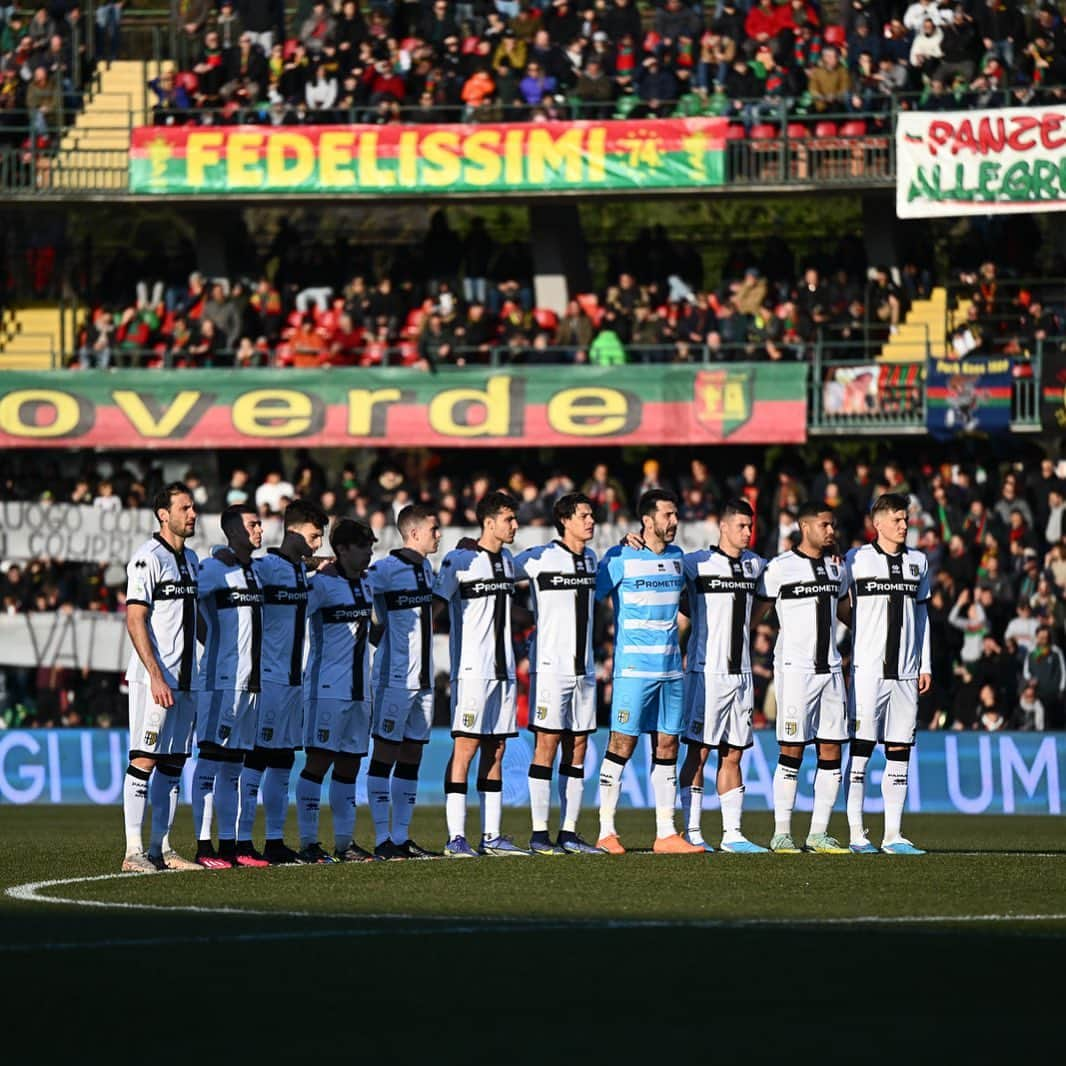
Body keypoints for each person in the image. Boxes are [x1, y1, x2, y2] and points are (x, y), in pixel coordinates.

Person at [594, 490, 703, 855]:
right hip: (633, 670)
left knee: (668, 744)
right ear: (647, 520)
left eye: (676, 515)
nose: (674, 522)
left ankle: (666, 834)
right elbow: (589, 596)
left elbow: (688, 606)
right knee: (622, 744)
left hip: (672, 670)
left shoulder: (677, 559)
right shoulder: (620, 556)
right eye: (668, 515)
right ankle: (606, 831)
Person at [433, 491, 529, 857]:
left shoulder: (507, 561)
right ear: (489, 522)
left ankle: (492, 837)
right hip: (472, 671)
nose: (515, 525)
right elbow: (436, 608)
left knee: (498, 748)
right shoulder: (459, 560)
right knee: (466, 748)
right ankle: (455, 837)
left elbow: (508, 610)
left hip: (503, 671)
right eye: (509, 519)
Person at [753, 500, 850, 854]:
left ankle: (818, 833)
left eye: (833, 525)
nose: (831, 531)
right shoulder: (779, 568)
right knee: (792, 748)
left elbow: (844, 612)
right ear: (804, 527)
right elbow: (755, 615)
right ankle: (781, 833)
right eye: (824, 525)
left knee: (831, 749)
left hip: (831, 669)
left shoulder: (837, 568)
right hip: (796, 671)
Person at [513, 493, 605, 856]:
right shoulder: (539, 558)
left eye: (592, 515)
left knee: (578, 746)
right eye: (584, 515)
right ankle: (539, 835)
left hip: (584, 669)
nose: (591, 521)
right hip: (550, 668)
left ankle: (568, 832)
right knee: (547, 745)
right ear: (564, 520)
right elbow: (500, 575)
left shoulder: (593, 559)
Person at [842, 493, 932, 856]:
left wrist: (926, 664)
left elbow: (923, 617)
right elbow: (835, 601)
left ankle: (893, 835)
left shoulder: (919, 562)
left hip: (906, 673)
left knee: (899, 752)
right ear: (876, 523)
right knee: (861, 751)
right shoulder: (856, 560)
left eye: (906, 519)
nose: (904, 525)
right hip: (868, 673)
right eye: (897, 519)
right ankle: (856, 835)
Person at [238, 498, 328, 864]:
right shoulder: (267, 569)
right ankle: (241, 841)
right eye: (314, 535)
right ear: (294, 531)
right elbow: (235, 569)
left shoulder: (297, 573)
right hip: (269, 680)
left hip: (295, 682)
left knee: (283, 759)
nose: (318, 543)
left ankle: (274, 840)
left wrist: (316, 566)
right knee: (257, 759)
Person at [678, 499, 769, 854]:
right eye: (742, 526)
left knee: (734, 754)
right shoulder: (695, 564)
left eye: (751, 526)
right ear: (724, 526)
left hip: (741, 674)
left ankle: (733, 834)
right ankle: (693, 832)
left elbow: (766, 599)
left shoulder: (755, 565)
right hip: (706, 673)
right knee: (698, 753)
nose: (748, 532)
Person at [121, 482, 202, 874]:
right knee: (145, 758)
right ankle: (133, 850)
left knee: (173, 763)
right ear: (163, 514)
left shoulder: (192, 561)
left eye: (193, 507)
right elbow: (135, 618)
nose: (193, 514)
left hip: (186, 680)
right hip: (155, 680)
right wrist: (155, 676)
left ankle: (161, 849)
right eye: (185, 508)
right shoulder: (146, 558)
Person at [190, 504, 269, 869]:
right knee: (210, 761)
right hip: (221, 683)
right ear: (233, 530)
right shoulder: (213, 568)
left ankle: (232, 846)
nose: (260, 530)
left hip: (250, 685)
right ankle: (203, 847)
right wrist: (211, 644)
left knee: (234, 767)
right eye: (253, 524)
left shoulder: (254, 570)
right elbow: (186, 606)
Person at [364, 504, 443, 860]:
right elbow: (355, 582)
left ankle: (401, 836)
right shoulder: (386, 569)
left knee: (412, 754)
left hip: (424, 679)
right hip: (395, 679)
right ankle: (382, 839)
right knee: (384, 755)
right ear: (413, 533)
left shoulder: (426, 568)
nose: (438, 534)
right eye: (434, 529)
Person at [297, 519, 376, 863]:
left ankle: (345, 844)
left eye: (371, 546)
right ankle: (309, 843)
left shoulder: (368, 583)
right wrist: (314, 565)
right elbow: (293, 610)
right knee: (318, 763)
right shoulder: (322, 586)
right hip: (328, 689)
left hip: (361, 691)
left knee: (349, 766)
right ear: (343, 549)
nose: (369, 553)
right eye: (363, 546)